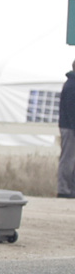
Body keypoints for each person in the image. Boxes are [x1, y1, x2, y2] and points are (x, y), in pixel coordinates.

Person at [59, 59, 75, 199]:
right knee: (68, 159)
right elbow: (71, 109)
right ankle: (64, 189)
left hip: (70, 126)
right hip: (70, 127)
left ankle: (70, 188)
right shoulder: (71, 86)